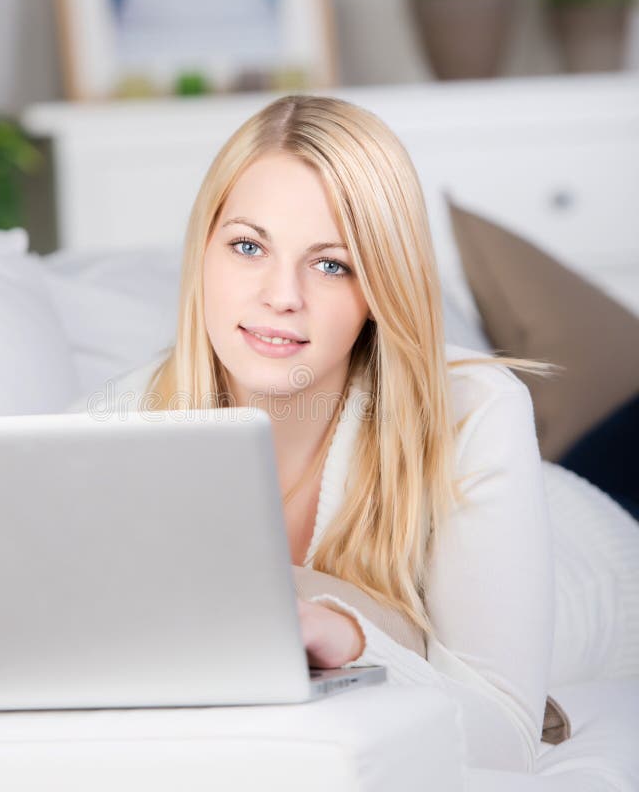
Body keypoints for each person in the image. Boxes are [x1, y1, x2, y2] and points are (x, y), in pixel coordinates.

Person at [68, 95, 563, 772]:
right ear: (203, 251)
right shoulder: (105, 429)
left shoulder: (475, 413)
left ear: (380, 288)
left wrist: (352, 641)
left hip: (590, 564)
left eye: (332, 264)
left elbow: (508, 732)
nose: (282, 295)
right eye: (248, 246)